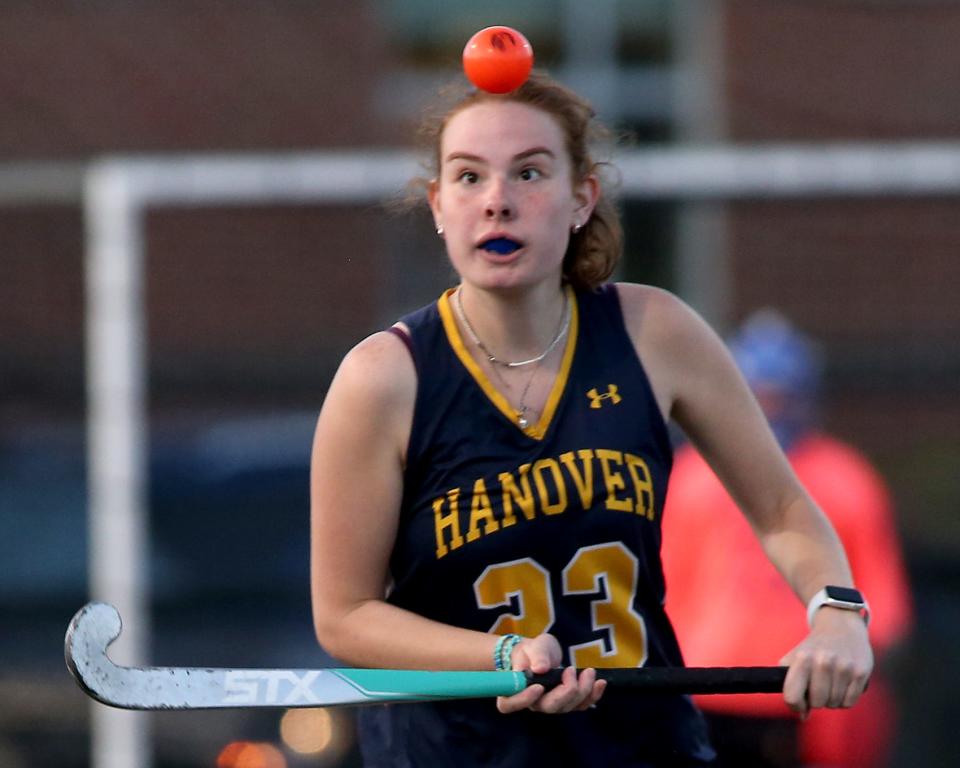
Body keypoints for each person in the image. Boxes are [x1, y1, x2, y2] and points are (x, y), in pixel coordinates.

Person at [309, 72, 873, 767]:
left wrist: (838, 613)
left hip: (639, 745)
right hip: (455, 751)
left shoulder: (655, 333)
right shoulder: (383, 378)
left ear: (582, 198)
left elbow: (784, 508)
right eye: (468, 177)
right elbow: (345, 616)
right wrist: (499, 654)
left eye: (529, 173)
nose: (497, 202)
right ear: (437, 206)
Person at [661, 310, 912, 768]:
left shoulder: (846, 478)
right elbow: (664, 591)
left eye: (782, 399)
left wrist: (848, 665)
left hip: (805, 697)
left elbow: (882, 607)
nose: (772, 411)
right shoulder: (691, 477)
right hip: (704, 690)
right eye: (761, 400)